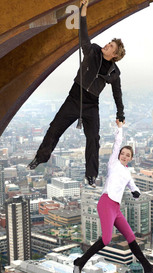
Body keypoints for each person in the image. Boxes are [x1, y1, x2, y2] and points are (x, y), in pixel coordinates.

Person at [27, 0, 126, 187]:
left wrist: (120, 114)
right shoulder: (93, 50)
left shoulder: (114, 73)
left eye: (111, 46)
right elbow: (83, 37)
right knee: (54, 128)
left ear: (115, 55)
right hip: (74, 98)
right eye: (109, 43)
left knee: (93, 139)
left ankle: (91, 175)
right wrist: (83, 11)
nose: (107, 45)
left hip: (91, 105)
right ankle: (40, 158)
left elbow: (117, 94)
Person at [73, 120, 153, 273]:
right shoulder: (113, 163)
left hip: (116, 208)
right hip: (106, 202)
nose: (124, 156)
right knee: (106, 239)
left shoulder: (128, 173)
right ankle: (80, 263)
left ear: (130, 158)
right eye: (123, 153)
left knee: (131, 237)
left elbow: (133, 186)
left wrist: (136, 192)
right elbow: (117, 143)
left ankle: (148, 268)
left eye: (128, 155)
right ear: (119, 155)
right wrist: (119, 128)